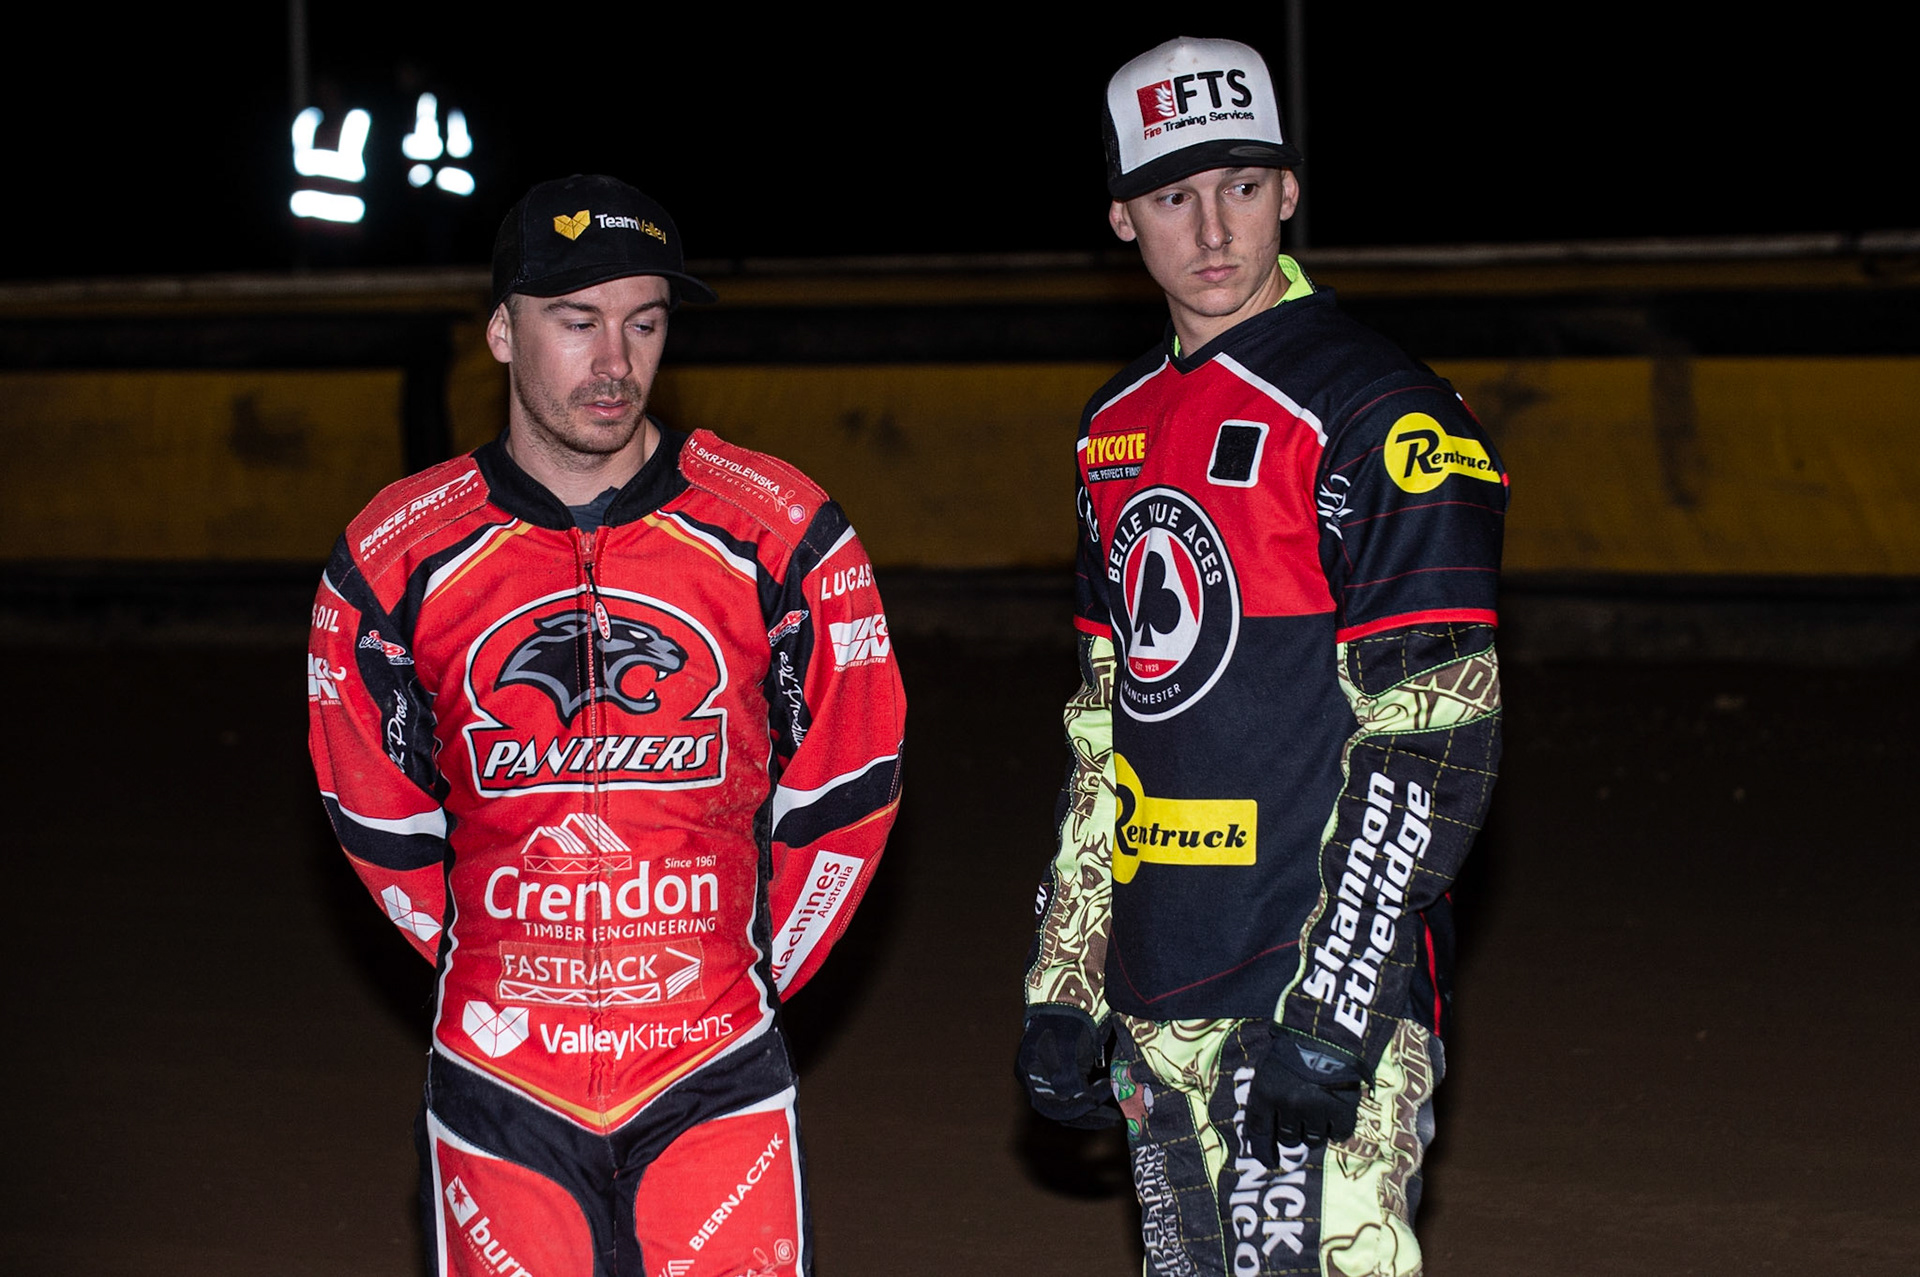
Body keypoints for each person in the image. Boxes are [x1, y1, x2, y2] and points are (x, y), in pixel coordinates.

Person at [309, 173, 905, 1277]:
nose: (615, 362)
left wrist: (746, 972)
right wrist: (492, 964)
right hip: (503, 1081)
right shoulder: (392, 556)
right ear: (501, 330)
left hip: (714, 1062)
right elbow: (371, 806)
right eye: (577, 324)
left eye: (644, 322)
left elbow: (851, 780)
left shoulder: (780, 530)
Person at [1018, 37, 1507, 1277]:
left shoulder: (1377, 407)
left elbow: (1437, 728)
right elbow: (1102, 730)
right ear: (1123, 217)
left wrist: (1335, 1011)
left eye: (1241, 182)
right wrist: (1067, 980)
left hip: (1312, 990)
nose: (1213, 226)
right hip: (1158, 989)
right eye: (1175, 195)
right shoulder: (1111, 431)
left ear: (1290, 187)